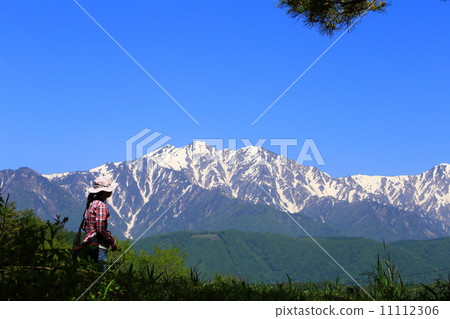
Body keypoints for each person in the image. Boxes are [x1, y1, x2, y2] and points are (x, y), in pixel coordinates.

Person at [82, 175, 119, 271]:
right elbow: (100, 229)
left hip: (88, 244)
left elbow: (84, 226)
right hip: (99, 246)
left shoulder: (91, 204)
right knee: (100, 275)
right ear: (104, 192)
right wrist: (112, 241)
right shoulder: (101, 206)